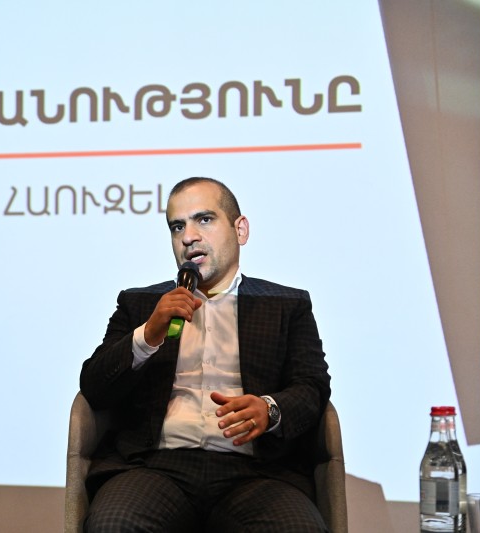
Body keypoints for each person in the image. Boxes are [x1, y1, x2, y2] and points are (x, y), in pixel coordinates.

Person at [79, 177, 331, 532]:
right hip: (155, 469)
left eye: (204, 220)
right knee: (113, 525)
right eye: (177, 227)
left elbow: (312, 387)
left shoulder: (287, 305)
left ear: (240, 230)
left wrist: (270, 409)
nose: (188, 237)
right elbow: (94, 388)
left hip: (256, 473)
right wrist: (147, 336)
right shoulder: (140, 303)